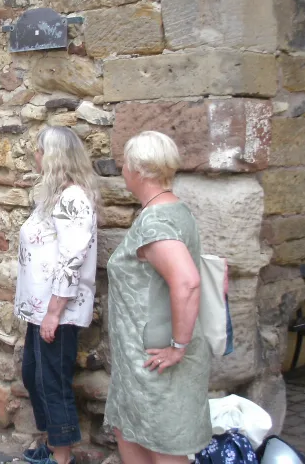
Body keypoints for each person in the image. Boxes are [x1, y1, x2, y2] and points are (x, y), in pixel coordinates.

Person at [104, 131, 212, 463]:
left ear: (137, 170)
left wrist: (178, 346)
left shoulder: (156, 221)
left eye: (124, 164)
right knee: (132, 430)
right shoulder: (173, 210)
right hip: (140, 358)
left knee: (163, 444)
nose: (122, 171)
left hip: (153, 358)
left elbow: (188, 282)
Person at [15, 127, 99, 464]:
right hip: (41, 309)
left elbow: (71, 259)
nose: (35, 156)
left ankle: (61, 457)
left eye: (38, 150)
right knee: (34, 375)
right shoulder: (53, 197)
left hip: (58, 311)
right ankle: (52, 443)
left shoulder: (74, 199)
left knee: (52, 382)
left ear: (52, 156)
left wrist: (53, 312)